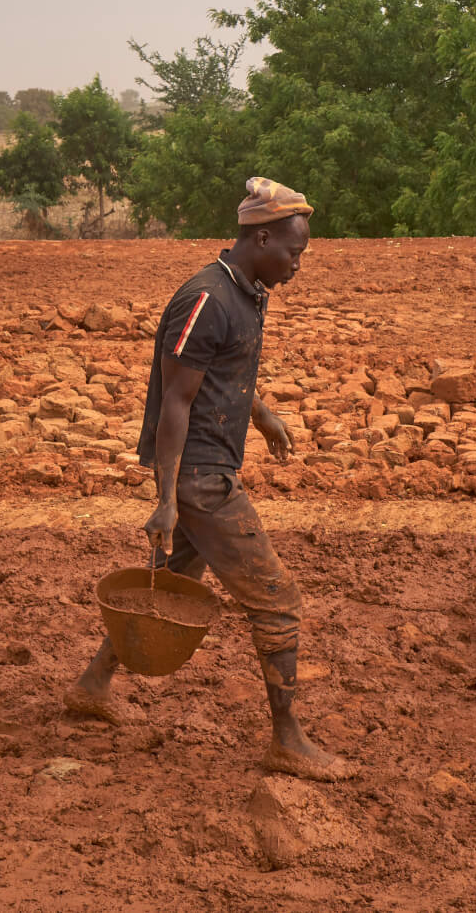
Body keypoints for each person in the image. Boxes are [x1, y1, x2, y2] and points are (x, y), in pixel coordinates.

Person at [64, 177, 357, 781]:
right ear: (261, 236)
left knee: (168, 584)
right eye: (294, 252)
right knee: (278, 602)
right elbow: (177, 401)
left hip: (206, 467)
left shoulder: (246, 290)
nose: (298, 265)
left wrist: (264, 413)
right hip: (200, 477)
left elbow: (229, 373)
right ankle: (287, 739)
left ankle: (93, 685)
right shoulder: (205, 300)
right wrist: (167, 500)